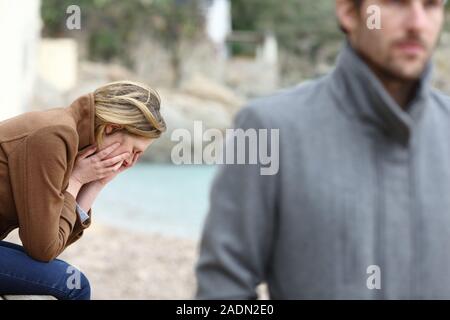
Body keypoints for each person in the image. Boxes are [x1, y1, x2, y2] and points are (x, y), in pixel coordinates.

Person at [196, 0, 450, 299]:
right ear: (347, 11)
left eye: (431, 5)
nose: (417, 23)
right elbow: (222, 291)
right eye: (396, 3)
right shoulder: (269, 129)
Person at [0, 80, 166, 300]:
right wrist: (77, 179)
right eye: (134, 150)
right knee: (75, 285)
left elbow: (53, 244)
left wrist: (97, 182)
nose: (131, 162)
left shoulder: (69, 135)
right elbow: (42, 249)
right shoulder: (55, 137)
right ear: (111, 128)